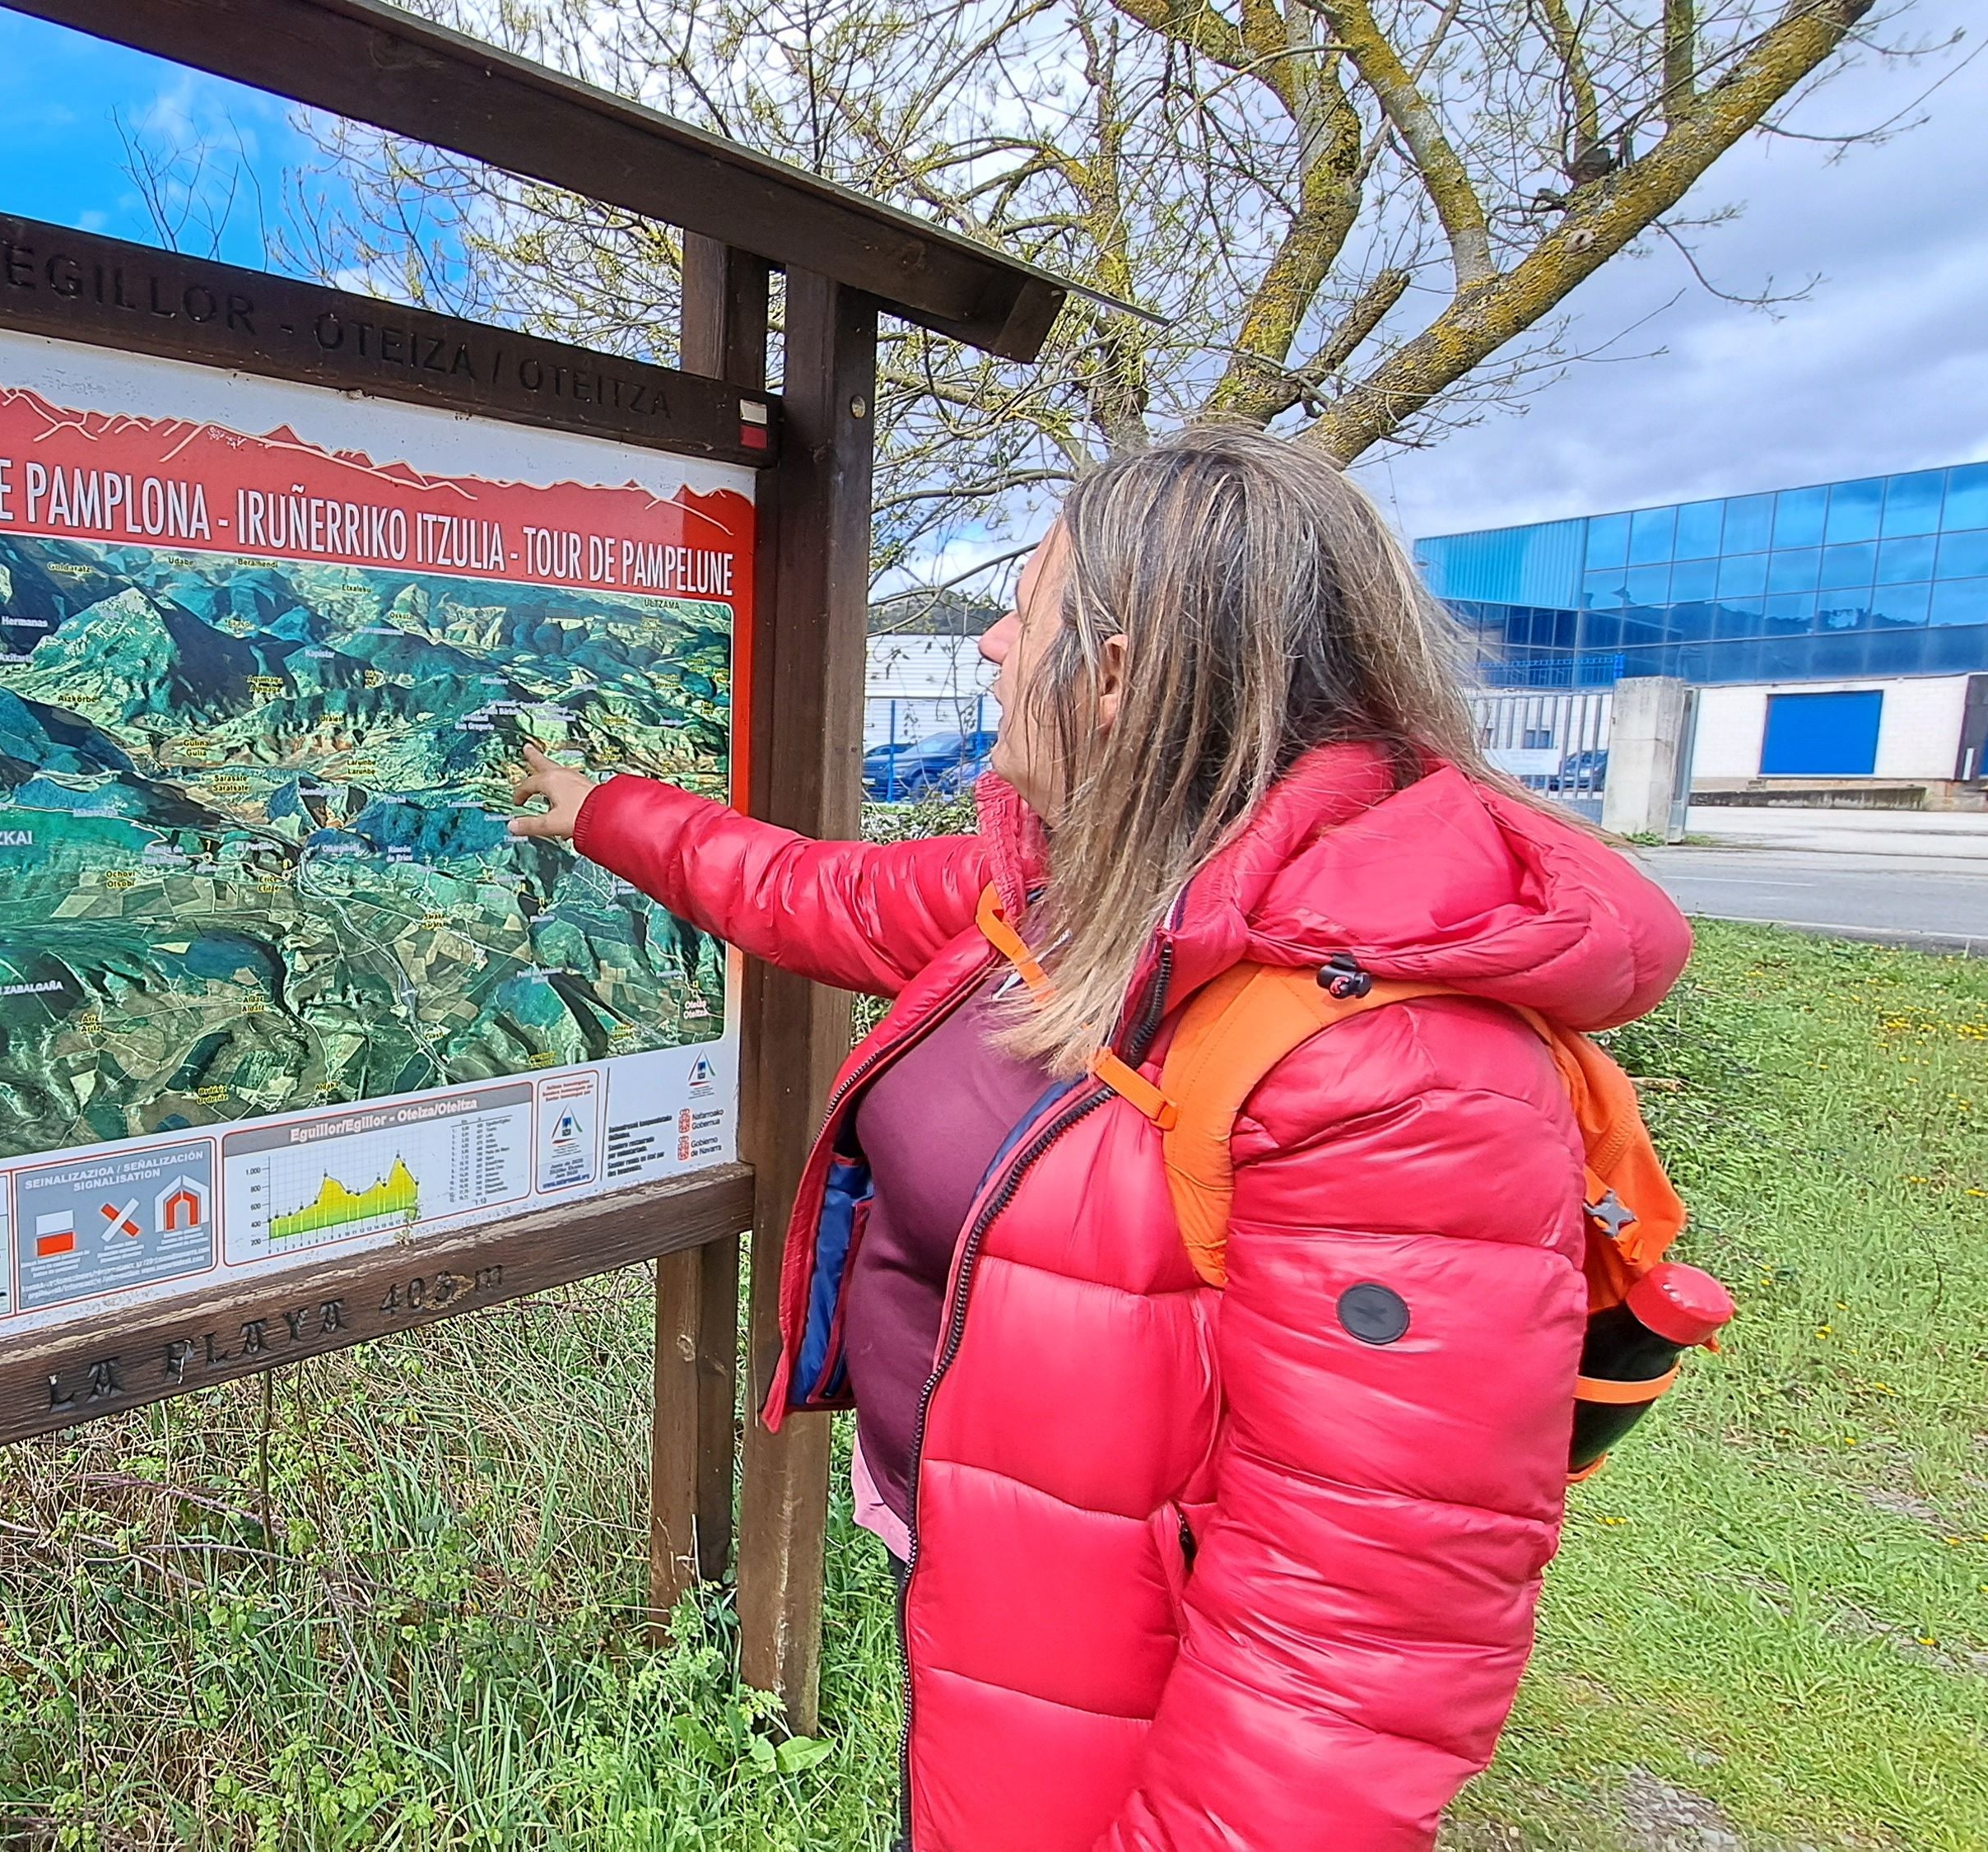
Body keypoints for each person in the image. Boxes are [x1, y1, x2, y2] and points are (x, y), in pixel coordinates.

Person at [510, 422, 1690, 1851]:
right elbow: (813, 893)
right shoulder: (1075, 894)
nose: (996, 643)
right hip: (998, 1590)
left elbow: (1354, 1652)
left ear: (1121, 677)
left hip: (1119, 1694)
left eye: (1030, 609)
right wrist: (601, 812)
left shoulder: (1400, 1065)